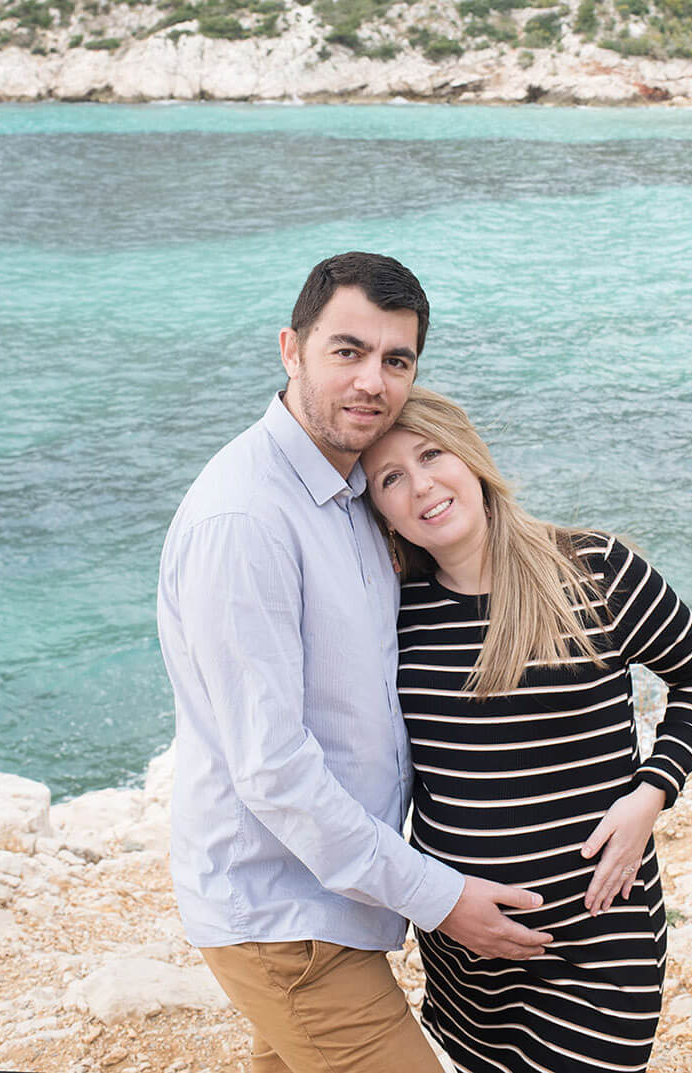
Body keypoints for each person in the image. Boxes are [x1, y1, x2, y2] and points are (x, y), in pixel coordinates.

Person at [156, 253, 551, 1073]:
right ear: (290, 349)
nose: (373, 380)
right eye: (348, 350)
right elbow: (271, 769)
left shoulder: (352, 499)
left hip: (328, 903)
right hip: (284, 917)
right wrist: (440, 900)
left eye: (396, 360)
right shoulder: (246, 519)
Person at [362, 387, 692, 1073]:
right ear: (379, 509)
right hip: (468, 955)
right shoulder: (392, 614)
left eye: (431, 453)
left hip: (602, 935)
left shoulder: (595, 569)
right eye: (390, 477)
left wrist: (651, 792)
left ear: (469, 454)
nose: (421, 485)